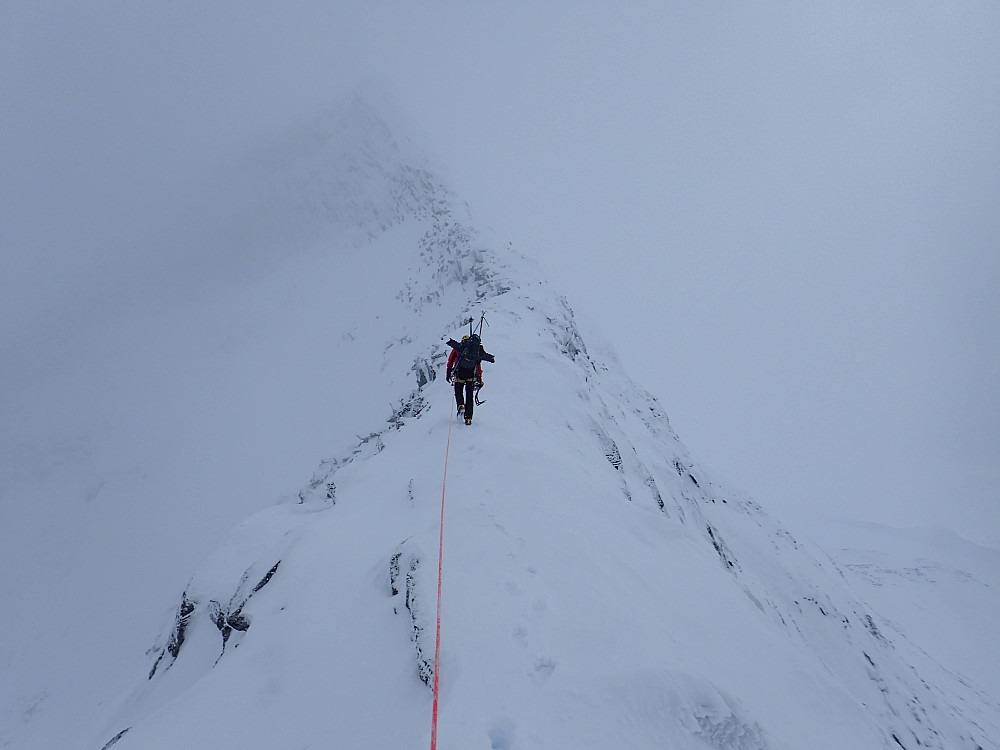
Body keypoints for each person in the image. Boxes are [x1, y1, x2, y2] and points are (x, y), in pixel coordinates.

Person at [446, 333, 494, 425]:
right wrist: (479, 380)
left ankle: (461, 405)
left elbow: (450, 361)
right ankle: (468, 419)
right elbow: (478, 367)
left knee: (458, 391)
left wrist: (448, 374)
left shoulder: (459, 348)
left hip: (460, 374)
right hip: (471, 376)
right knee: (469, 396)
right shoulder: (476, 352)